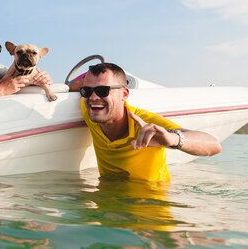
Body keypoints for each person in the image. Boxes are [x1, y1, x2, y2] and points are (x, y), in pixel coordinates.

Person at [79, 62, 221, 182]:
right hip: (107, 200)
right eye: (87, 91)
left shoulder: (146, 123)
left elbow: (214, 145)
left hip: (149, 203)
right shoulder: (91, 111)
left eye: (102, 91)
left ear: (124, 94)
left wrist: (171, 139)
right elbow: (75, 84)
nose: (93, 97)